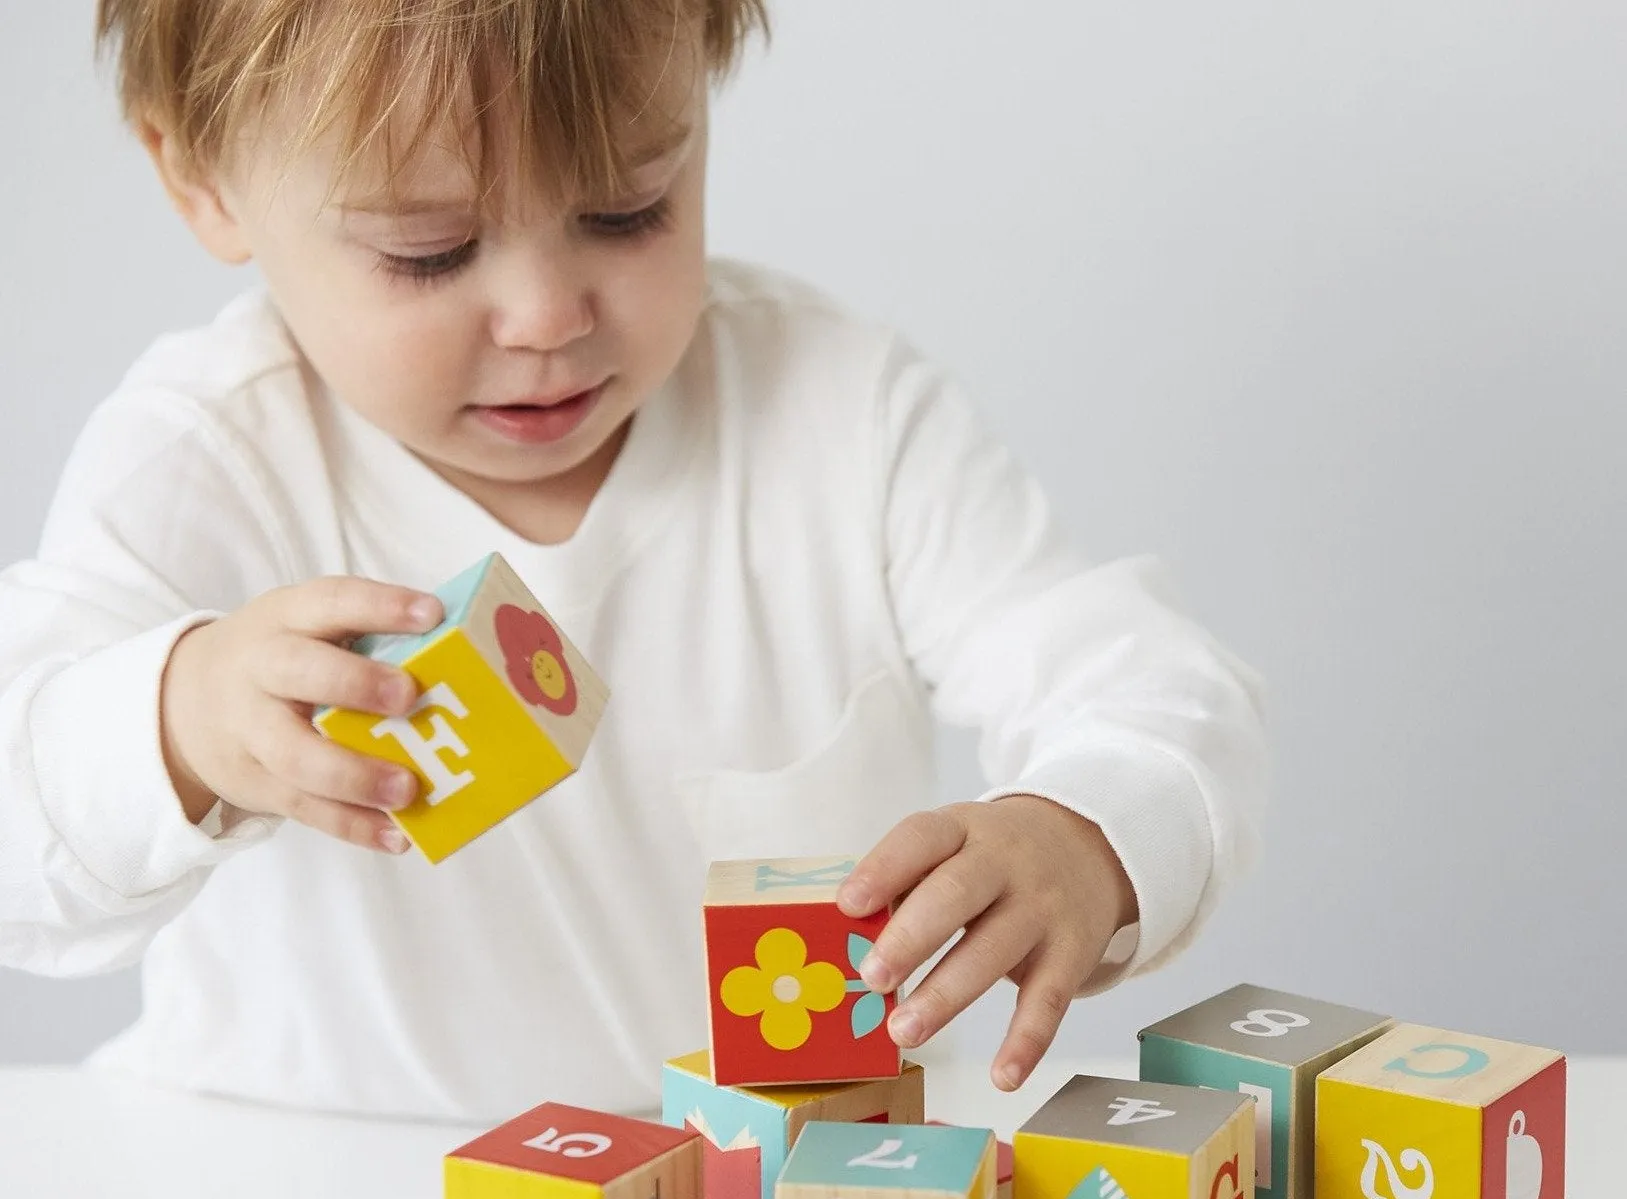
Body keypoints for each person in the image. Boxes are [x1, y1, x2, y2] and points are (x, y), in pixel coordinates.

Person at [0, 0, 1267, 1121]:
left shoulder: (839, 412)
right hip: (291, 1178)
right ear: (201, 178)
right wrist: (177, 717)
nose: (548, 315)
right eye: (426, 250)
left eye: (628, 210)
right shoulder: (210, 458)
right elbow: (26, 842)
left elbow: (1146, 684)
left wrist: (1084, 829)